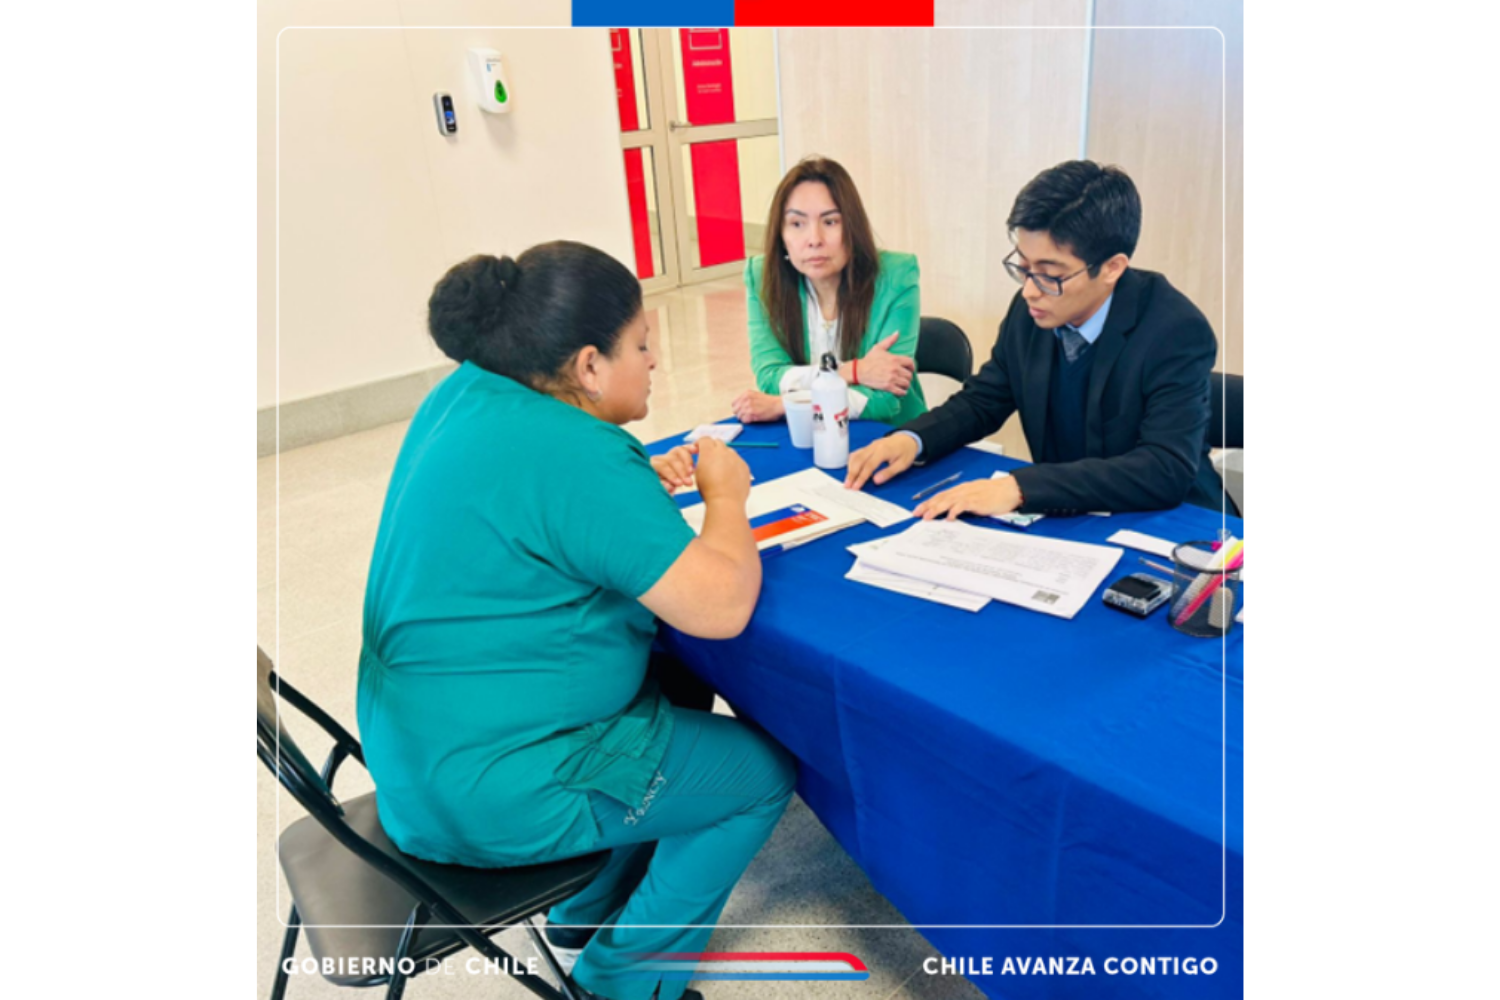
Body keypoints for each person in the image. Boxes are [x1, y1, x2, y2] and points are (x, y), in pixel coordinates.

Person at [357, 243, 796, 1000]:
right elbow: (720, 607)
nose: (655, 362)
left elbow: (541, 527)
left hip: (418, 754)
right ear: (589, 365)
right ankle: (620, 984)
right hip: (491, 793)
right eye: (643, 346)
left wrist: (628, 490)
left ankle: (580, 910)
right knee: (759, 775)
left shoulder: (468, 392)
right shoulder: (578, 456)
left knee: (674, 688)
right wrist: (727, 495)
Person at [845, 160, 1222, 515]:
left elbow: (1164, 468)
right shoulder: (1033, 311)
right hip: (1070, 513)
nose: (1029, 290)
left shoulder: (1175, 331)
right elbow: (983, 401)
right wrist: (911, 440)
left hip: (1173, 525)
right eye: (1023, 267)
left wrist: (1020, 488)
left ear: (1111, 268)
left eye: (1049, 273)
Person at [731, 156, 928, 427]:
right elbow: (770, 375)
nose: (814, 240)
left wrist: (783, 404)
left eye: (831, 222)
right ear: (781, 234)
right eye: (797, 224)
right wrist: (852, 371)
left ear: (852, 227)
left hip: (888, 436)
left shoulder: (897, 276)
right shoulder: (761, 277)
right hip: (804, 435)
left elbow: (884, 399)